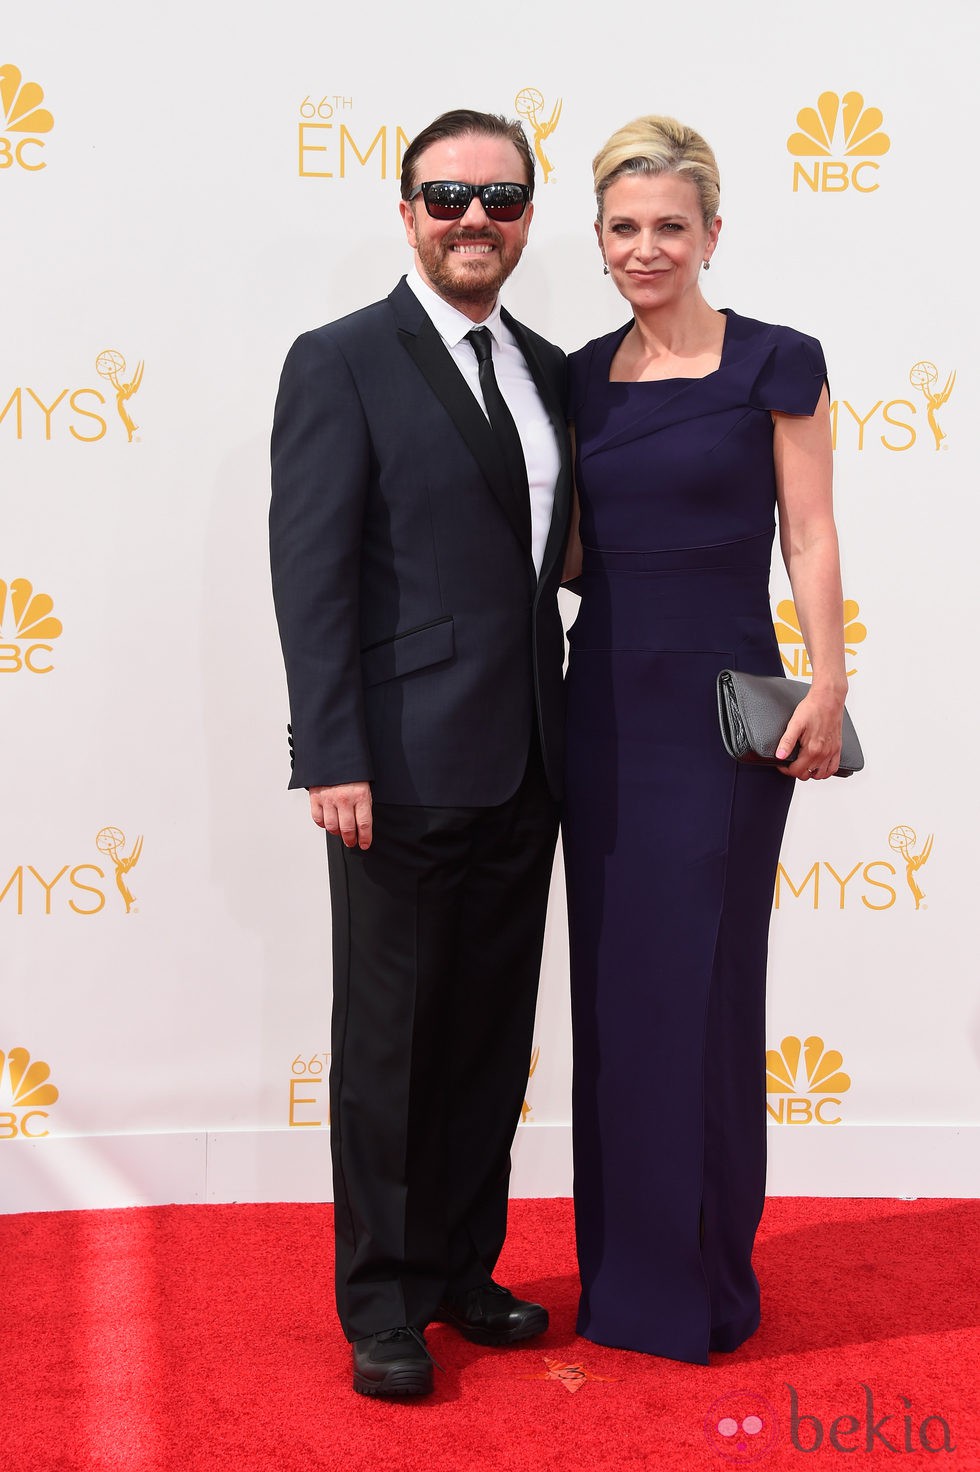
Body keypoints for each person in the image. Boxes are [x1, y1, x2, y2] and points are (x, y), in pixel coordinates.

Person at [269, 108, 571, 1399]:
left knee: (489, 1040)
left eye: (499, 201)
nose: (472, 222)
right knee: (390, 1045)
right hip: (390, 772)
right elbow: (312, 572)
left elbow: (559, 562)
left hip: (529, 765)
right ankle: (383, 1301)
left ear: (524, 222)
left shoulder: (553, 368)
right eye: (448, 197)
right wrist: (332, 751)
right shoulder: (339, 362)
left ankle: (460, 1267)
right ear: (406, 212)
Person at [561, 115, 848, 1364]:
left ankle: (703, 1284)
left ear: (711, 233)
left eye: (667, 225)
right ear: (599, 238)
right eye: (622, 227)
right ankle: (621, 1282)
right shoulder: (573, 375)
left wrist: (826, 687)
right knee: (614, 996)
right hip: (599, 710)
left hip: (722, 721)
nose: (644, 247)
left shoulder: (777, 361)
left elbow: (812, 534)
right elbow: (567, 552)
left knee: (707, 992)